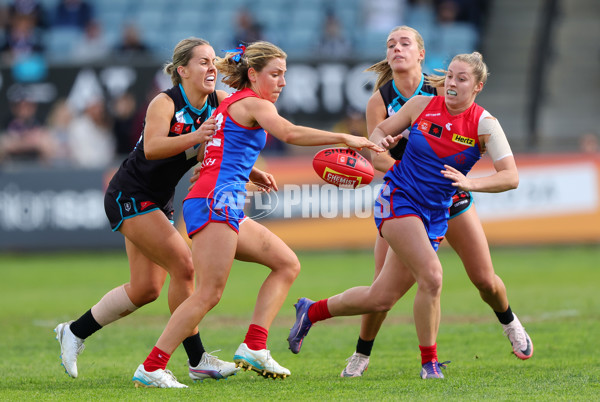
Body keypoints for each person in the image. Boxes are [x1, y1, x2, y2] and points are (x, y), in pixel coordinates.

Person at [131, 40, 384, 388]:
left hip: (221, 200)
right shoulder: (252, 102)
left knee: (286, 263)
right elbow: (289, 132)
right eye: (275, 74)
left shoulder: (232, 103)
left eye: (284, 75)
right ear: (253, 74)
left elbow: (219, 149)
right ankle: (152, 366)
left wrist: (248, 173)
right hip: (214, 202)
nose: (282, 82)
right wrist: (344, 137)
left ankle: (254, 346)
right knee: (208, 293)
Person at [288, 51, 522, 380]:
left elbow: (510, 176)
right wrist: (382, 140)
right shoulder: (422, 105)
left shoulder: (485, 124)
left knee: (380, 297)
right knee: (433, 276)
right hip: (398, 199)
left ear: (478, 86)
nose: (453, 83)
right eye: (450, 76)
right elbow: (378, 133)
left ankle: (310, 311)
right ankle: (429, 364)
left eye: (462, 79)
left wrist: (472, 183)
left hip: (436, 212)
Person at [54, 37, 242, 382]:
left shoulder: (217, 102)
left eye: (213, 60)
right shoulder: (164, 101)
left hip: (159, 198)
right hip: (130, 192)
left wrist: (248, 168)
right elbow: (153, 148)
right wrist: (198, 136)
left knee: (145, 289)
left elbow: (237, 120)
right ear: (182, 70)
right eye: (203, 62)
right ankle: (196, 359)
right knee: (184, 267)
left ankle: (74, 331)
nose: (211, 67)